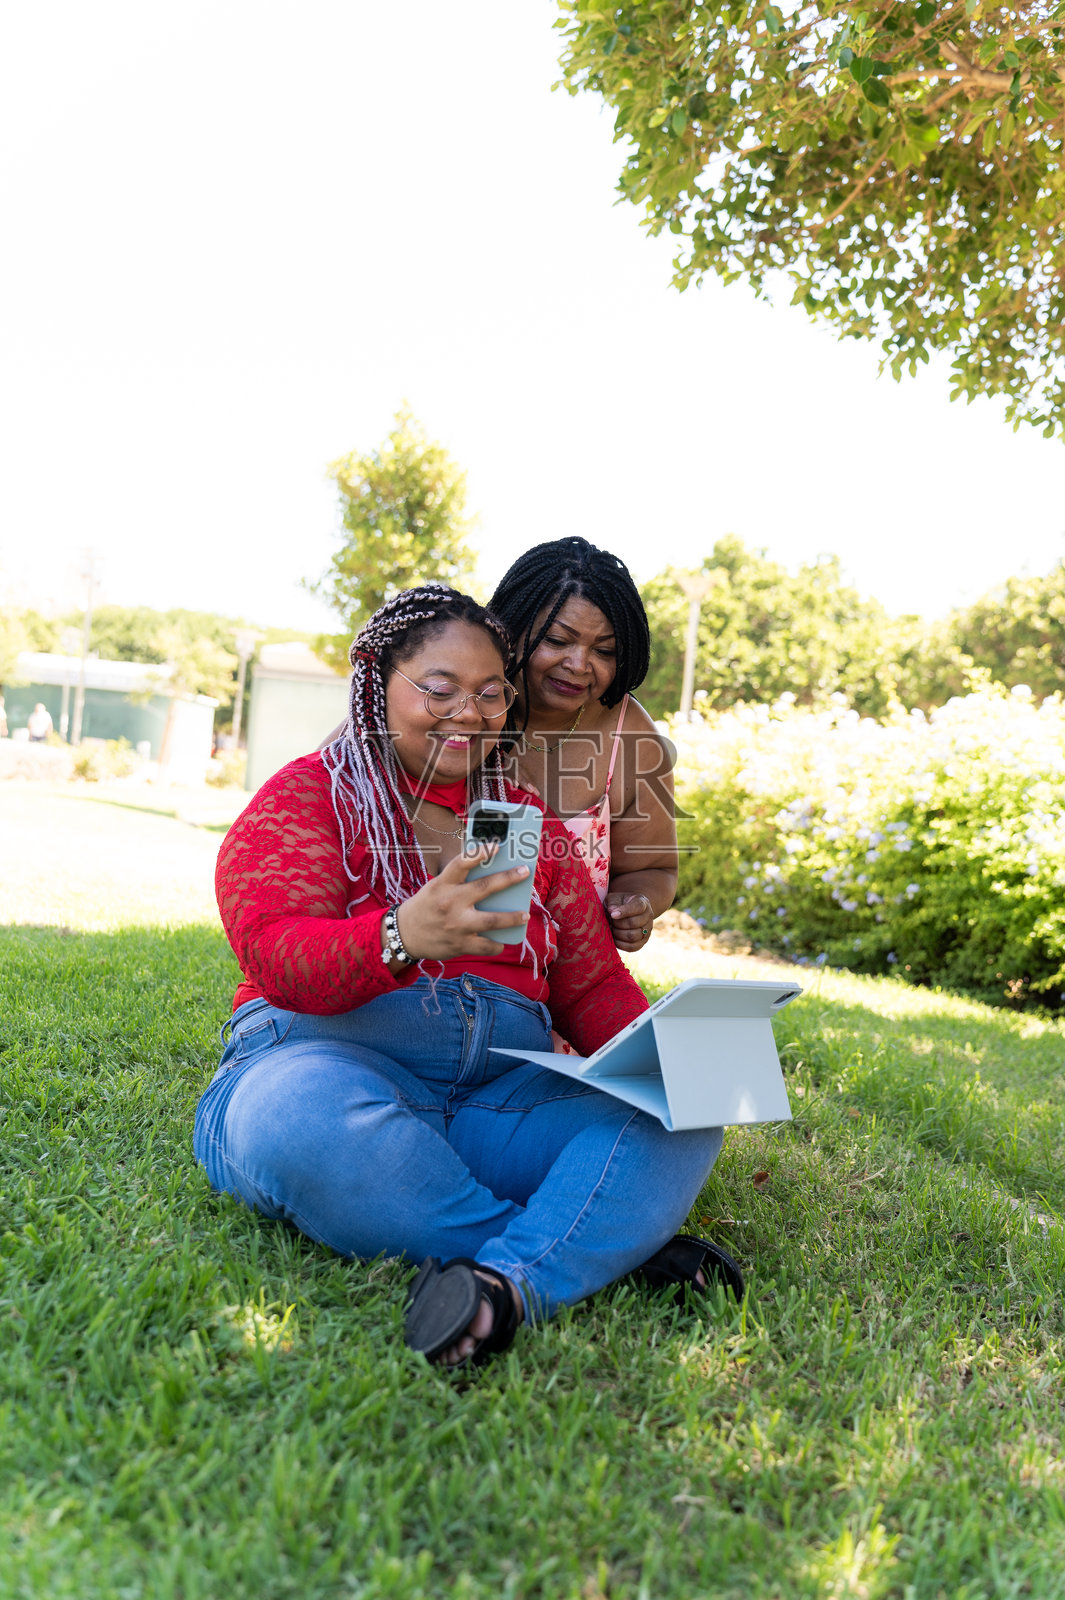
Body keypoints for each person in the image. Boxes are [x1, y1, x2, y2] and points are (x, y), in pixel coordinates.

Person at [196, 585, 738, 1370]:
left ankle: (502, 1288)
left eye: (490, 694)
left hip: (494, 1099)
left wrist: (669, 1060)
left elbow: (588, 989)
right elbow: (277, 958)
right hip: (330, 1067)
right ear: (377, 682)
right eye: (439, 689)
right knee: (291, 1119)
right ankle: (591, 1246)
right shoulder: (308, 797)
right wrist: (399, 935)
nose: (469, 712)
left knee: (679, 1115)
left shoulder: (523, 823)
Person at [489, 538, 677, 955]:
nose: (579, 664)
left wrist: (636, 904)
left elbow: (655, 868)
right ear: (514, 627)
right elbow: (325, 779)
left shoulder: (631, 736)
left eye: (604, 649)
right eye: (558, 640)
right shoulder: (458, 703)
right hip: (445, 978)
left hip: (572, 981)